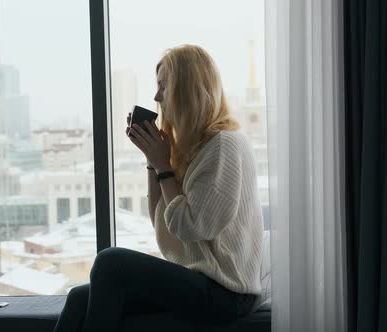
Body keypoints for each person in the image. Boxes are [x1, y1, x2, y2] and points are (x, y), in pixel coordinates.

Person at [53, 44, 263, 332]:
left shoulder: (224, 145)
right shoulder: (194, 148)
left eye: (163, 86)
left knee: (110, 262)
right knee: (79, 297)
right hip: (201, 282)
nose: (156, 97)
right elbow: (162, 221)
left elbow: (191, 227)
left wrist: (163, 166)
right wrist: (153, 163)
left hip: (227, 293)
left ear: (185, 90)